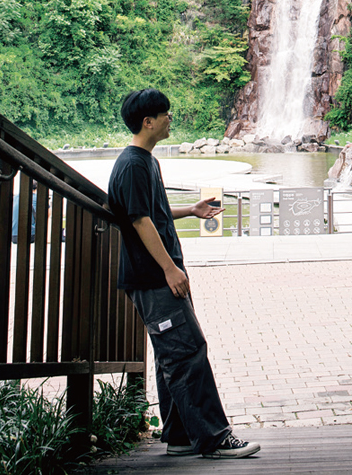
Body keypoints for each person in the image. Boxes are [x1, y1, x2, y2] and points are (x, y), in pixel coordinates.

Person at [107, 88, 260, 460]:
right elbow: (139, 221)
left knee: (171, 358)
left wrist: (191, 210)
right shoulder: (132, 165)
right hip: (153, 278)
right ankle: (214, 438)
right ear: (149, 122)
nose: (170, 119)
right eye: (166, 114)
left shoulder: (145, 162)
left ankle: (179, 435)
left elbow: (152, 213)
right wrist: (169, 268)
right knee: (188, 352)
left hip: (157, 276)